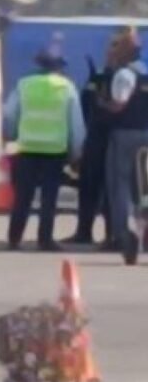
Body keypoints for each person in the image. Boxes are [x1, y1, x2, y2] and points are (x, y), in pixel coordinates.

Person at [3, 39, 86, 252]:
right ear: (60, 66)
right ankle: (45, 239)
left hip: (27, 147)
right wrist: (76, 153)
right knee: (49, 198)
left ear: (39, 64)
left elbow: (10, 115)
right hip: (54, 151)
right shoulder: (67, 88)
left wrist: (11, 137)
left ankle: (14, 237)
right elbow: (76, 125)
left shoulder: (24, 84)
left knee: (23, 196)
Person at [64, 40, 120, 247]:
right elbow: (84, 107)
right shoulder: (97, 76)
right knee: (87, 187)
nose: (110, 53)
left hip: (115, 140)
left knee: (112, 191)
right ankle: (83, 232)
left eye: (115, 49)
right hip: (94, 138)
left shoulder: (125, 78)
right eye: (110, 48)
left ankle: (112, 235)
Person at [103, 27, 148, 265]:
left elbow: (119, 104)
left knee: (120, 185)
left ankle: (124, 235)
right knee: (145, 186)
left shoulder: (124, 75)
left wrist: (104, 105)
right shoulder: (145, 72)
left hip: (126, 134)